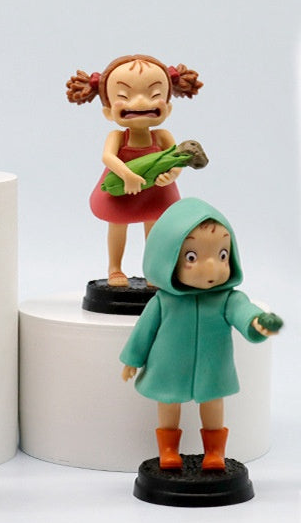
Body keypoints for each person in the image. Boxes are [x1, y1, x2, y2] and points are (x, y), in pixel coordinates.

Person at [120, 198, 281, 470]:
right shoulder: (164, 301)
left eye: (222, 255)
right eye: (192, 257)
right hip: (168, 364)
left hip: (212, 363)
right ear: (168, 259)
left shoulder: (227, 298)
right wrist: (132, 359)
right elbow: (144, 330)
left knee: (213, 403)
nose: (213, 268)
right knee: (168, 401)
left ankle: (214, 452)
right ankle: (168, 450)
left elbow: (243, 311)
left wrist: (256, 322)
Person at [66, 54, 202, 286]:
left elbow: (177, 159)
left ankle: (152, 269)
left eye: (154, 94)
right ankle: (115, 268)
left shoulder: (162, 136)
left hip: (156, 189)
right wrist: (127, 175)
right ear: (108, 111)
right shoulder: (118, 136)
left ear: (168, 107)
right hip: (122, 186)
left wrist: (172, 175)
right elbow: (108, 157)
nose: (140, 102)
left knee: (155, 228)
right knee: (118, 225)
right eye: (124, 96)